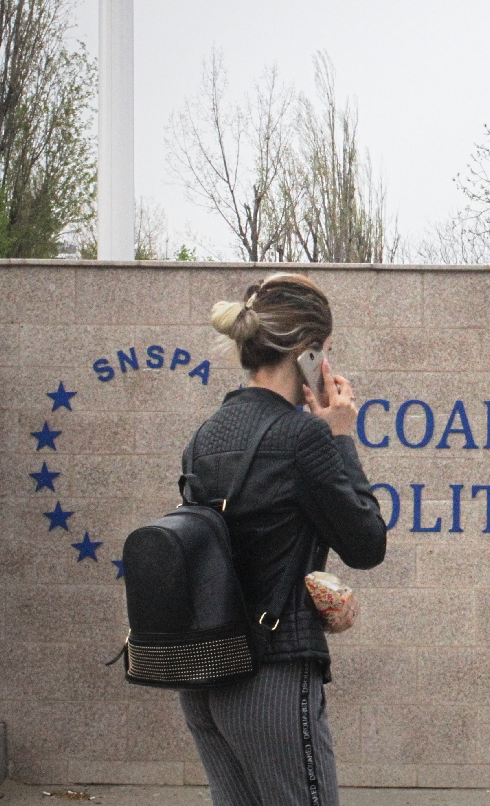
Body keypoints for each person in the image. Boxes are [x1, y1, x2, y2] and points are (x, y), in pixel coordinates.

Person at [179, 273, 387, 806]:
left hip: (204, 670)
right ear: (306, 353)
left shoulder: (209, 434)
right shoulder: (302, 435)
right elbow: (366, 543)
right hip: (269, 673)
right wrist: (341, 434)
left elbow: (250, 548)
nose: (330, 366)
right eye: (326, 352)